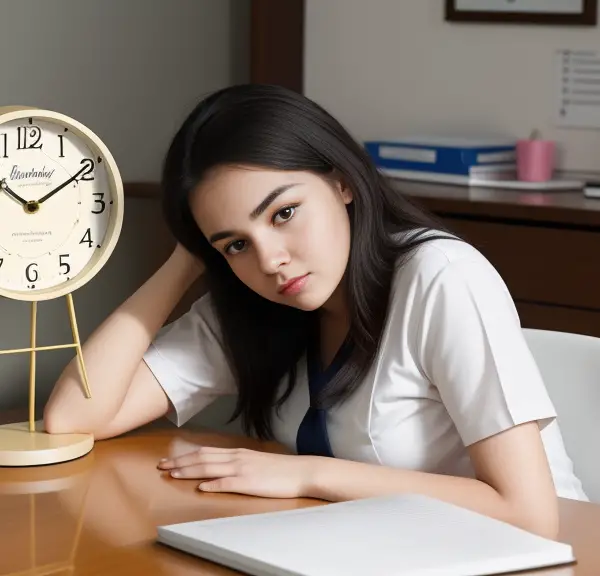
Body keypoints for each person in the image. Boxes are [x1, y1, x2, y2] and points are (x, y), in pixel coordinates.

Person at [43, 84, 587, 539]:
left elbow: (529, 513)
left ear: (341, 180)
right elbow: (74, 418)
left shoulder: (440, 276)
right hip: (374, 549)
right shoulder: (252, 301)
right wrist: (185, 260)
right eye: (233, 243)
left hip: (529, 556)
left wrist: (306, 475)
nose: (270, 260)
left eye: (283, 213)